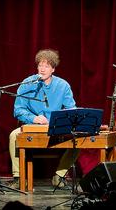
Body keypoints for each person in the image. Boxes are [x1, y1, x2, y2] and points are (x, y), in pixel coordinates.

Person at [8, 49, 77, 188]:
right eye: (40, 65)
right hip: (33, 127)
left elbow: (72, 109)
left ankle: (59, 175)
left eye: (46, 66)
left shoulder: (63, 85)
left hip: (56, 128)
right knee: (14, 136)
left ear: (53, 69)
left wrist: (61, 120)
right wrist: (34, 118)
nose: (42, 69)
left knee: (80, 139)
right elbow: (18, 110)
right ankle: (19, 177)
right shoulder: (28, 83)